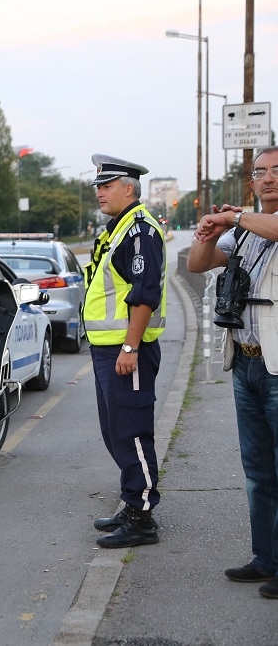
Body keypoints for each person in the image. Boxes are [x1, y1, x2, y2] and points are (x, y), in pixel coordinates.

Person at [188, 146, 278, 598]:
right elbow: (197, 264)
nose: (267, 179)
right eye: (259, 172)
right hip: (246, 361)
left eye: (276, 171)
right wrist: (207, 230)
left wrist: (235, 217)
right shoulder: (244, 233)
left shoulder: (257, 224)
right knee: (257, 470)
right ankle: (266, 559)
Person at [82, 154, 167, 548]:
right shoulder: (118, 230)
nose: (100, 192)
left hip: (125, 349)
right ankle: (133, 501)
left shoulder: (138, 231)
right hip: (108, 349)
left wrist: (130, 345)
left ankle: (142, 517)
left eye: (107, 185)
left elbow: (144, 295)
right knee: (116, 431)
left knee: (131, 432)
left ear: (129, 188)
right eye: (98, 186)